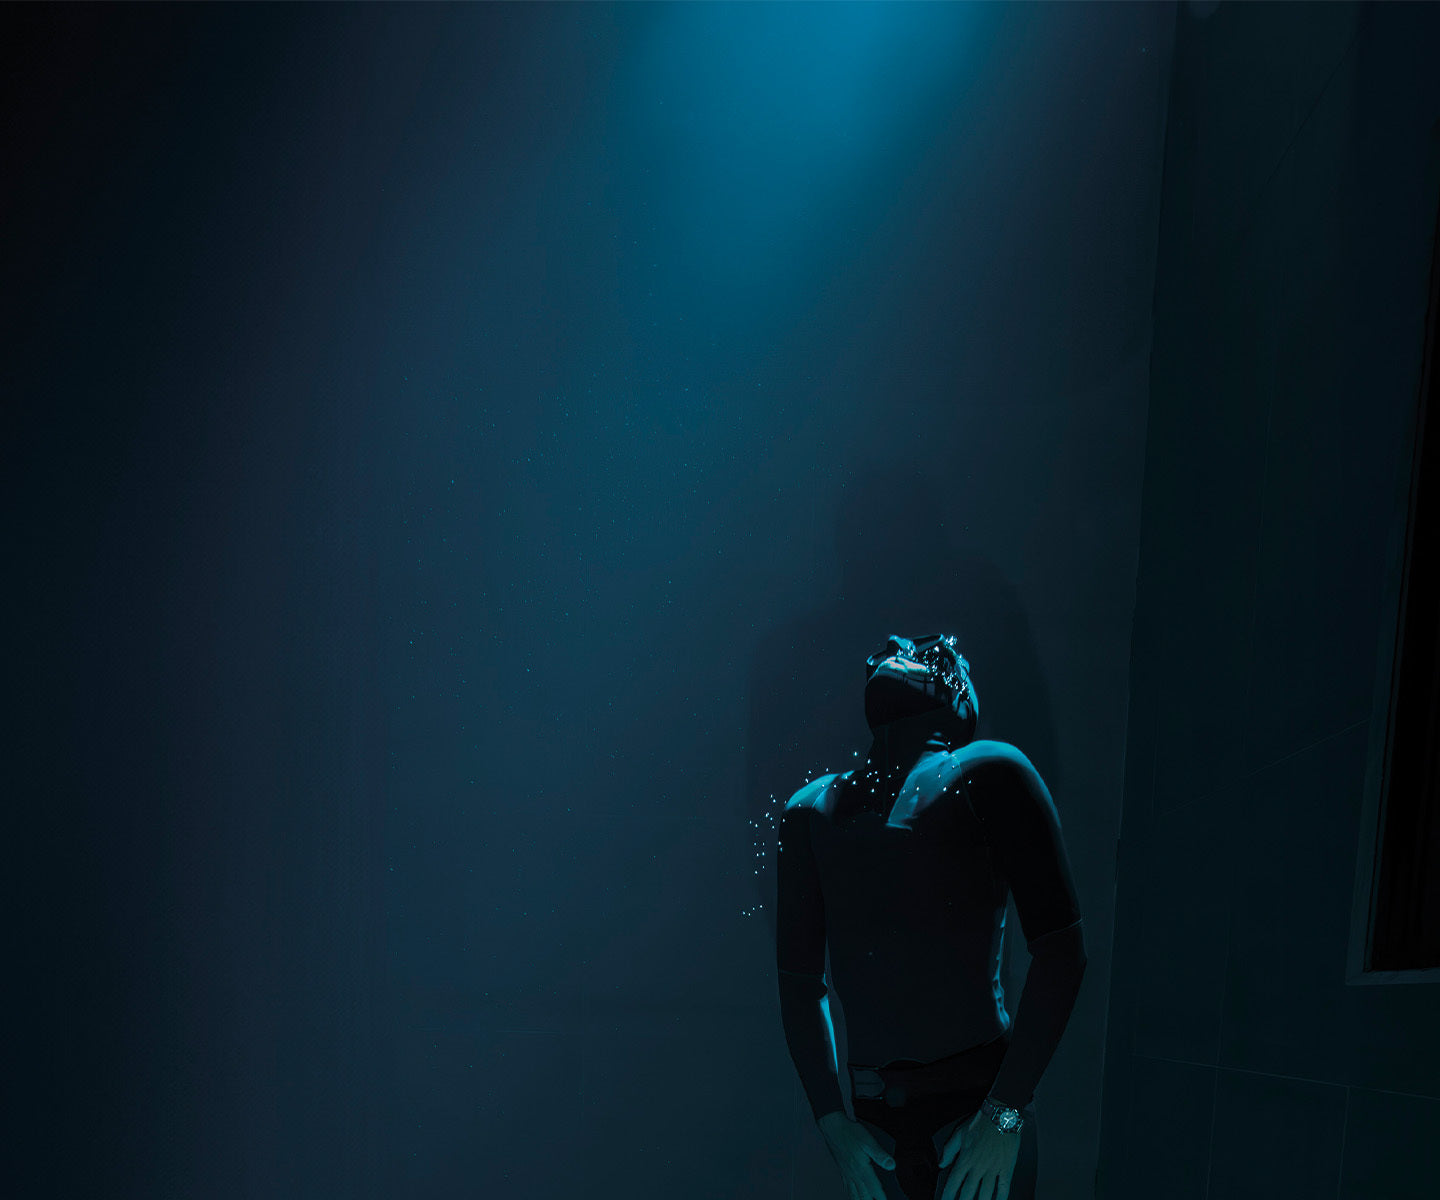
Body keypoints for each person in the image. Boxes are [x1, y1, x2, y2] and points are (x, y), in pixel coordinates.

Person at [776, 634, 1087, 1200]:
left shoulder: (987, 772)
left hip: (973, 1112)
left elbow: (1063, 952)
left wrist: (1004, 1114)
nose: (899, 648)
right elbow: (799, 986)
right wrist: (833, 1124)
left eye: (926, 654)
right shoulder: (808, 812)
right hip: (884, 1127)